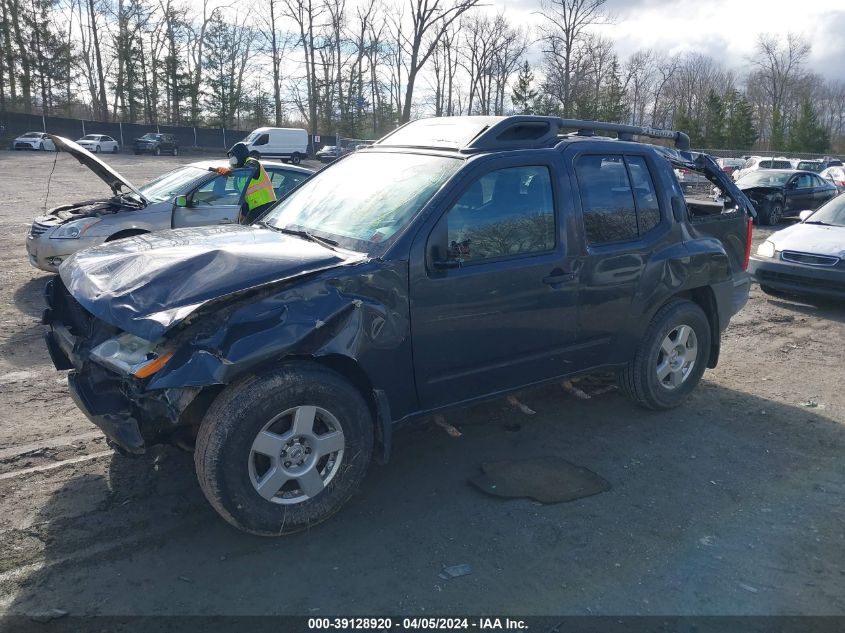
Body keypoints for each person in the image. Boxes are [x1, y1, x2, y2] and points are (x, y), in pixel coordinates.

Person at [211, 142, 277, 224]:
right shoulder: (240, 169)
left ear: (239, 155)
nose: (231, 159)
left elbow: (247, 171)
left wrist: (230, 171)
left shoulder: (252, 162)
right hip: (254, 208)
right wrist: (244, 213)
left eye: (233, 156)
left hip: (266, 206)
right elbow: (246, 195)